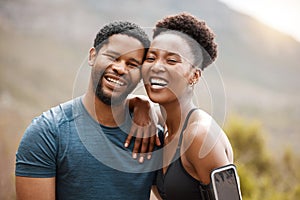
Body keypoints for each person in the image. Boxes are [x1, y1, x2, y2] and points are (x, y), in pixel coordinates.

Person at [15, 21, 161, 200]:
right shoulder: (48, 132)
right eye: (113, 57)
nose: (120, 68)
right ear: (93, 56)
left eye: (132, 64)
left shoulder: (149, 137)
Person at [142, 13, 234, 199]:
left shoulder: (200, 136)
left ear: (194, 76)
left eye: (172, 60)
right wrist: (139, 104)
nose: (157, 67)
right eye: (151, 58)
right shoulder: (163, 129)